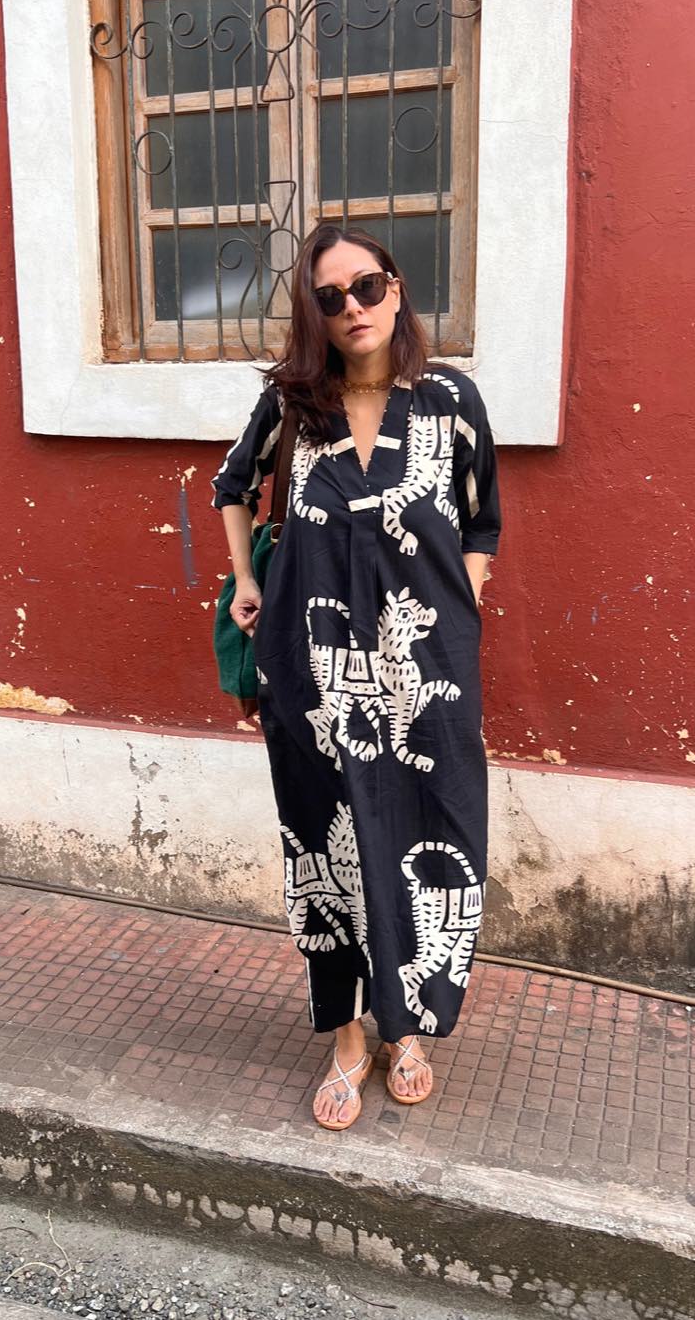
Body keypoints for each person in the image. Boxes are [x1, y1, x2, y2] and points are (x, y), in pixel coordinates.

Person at [211, 223, 501, 1131]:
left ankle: (405, 1029)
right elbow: (232, 487)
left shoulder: (450, 400)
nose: (352, 309)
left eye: (366, 286)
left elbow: (483, 519)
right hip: (313, 675)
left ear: (396, 288)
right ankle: (346, 1034)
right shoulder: (293, 404)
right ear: (315, 313)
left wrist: (462, 600)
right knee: (325, 844)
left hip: (427, 677)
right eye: (329, 297)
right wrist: (246, 579)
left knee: (431, 830)